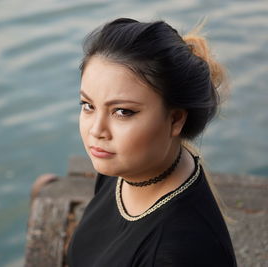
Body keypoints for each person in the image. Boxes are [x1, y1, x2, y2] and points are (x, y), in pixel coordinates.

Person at [66, 18, 237, 267]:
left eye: (123, 111)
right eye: (88, 106)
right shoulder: (126, 167)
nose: (96, 130)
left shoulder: (176, 254)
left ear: (175, 119)